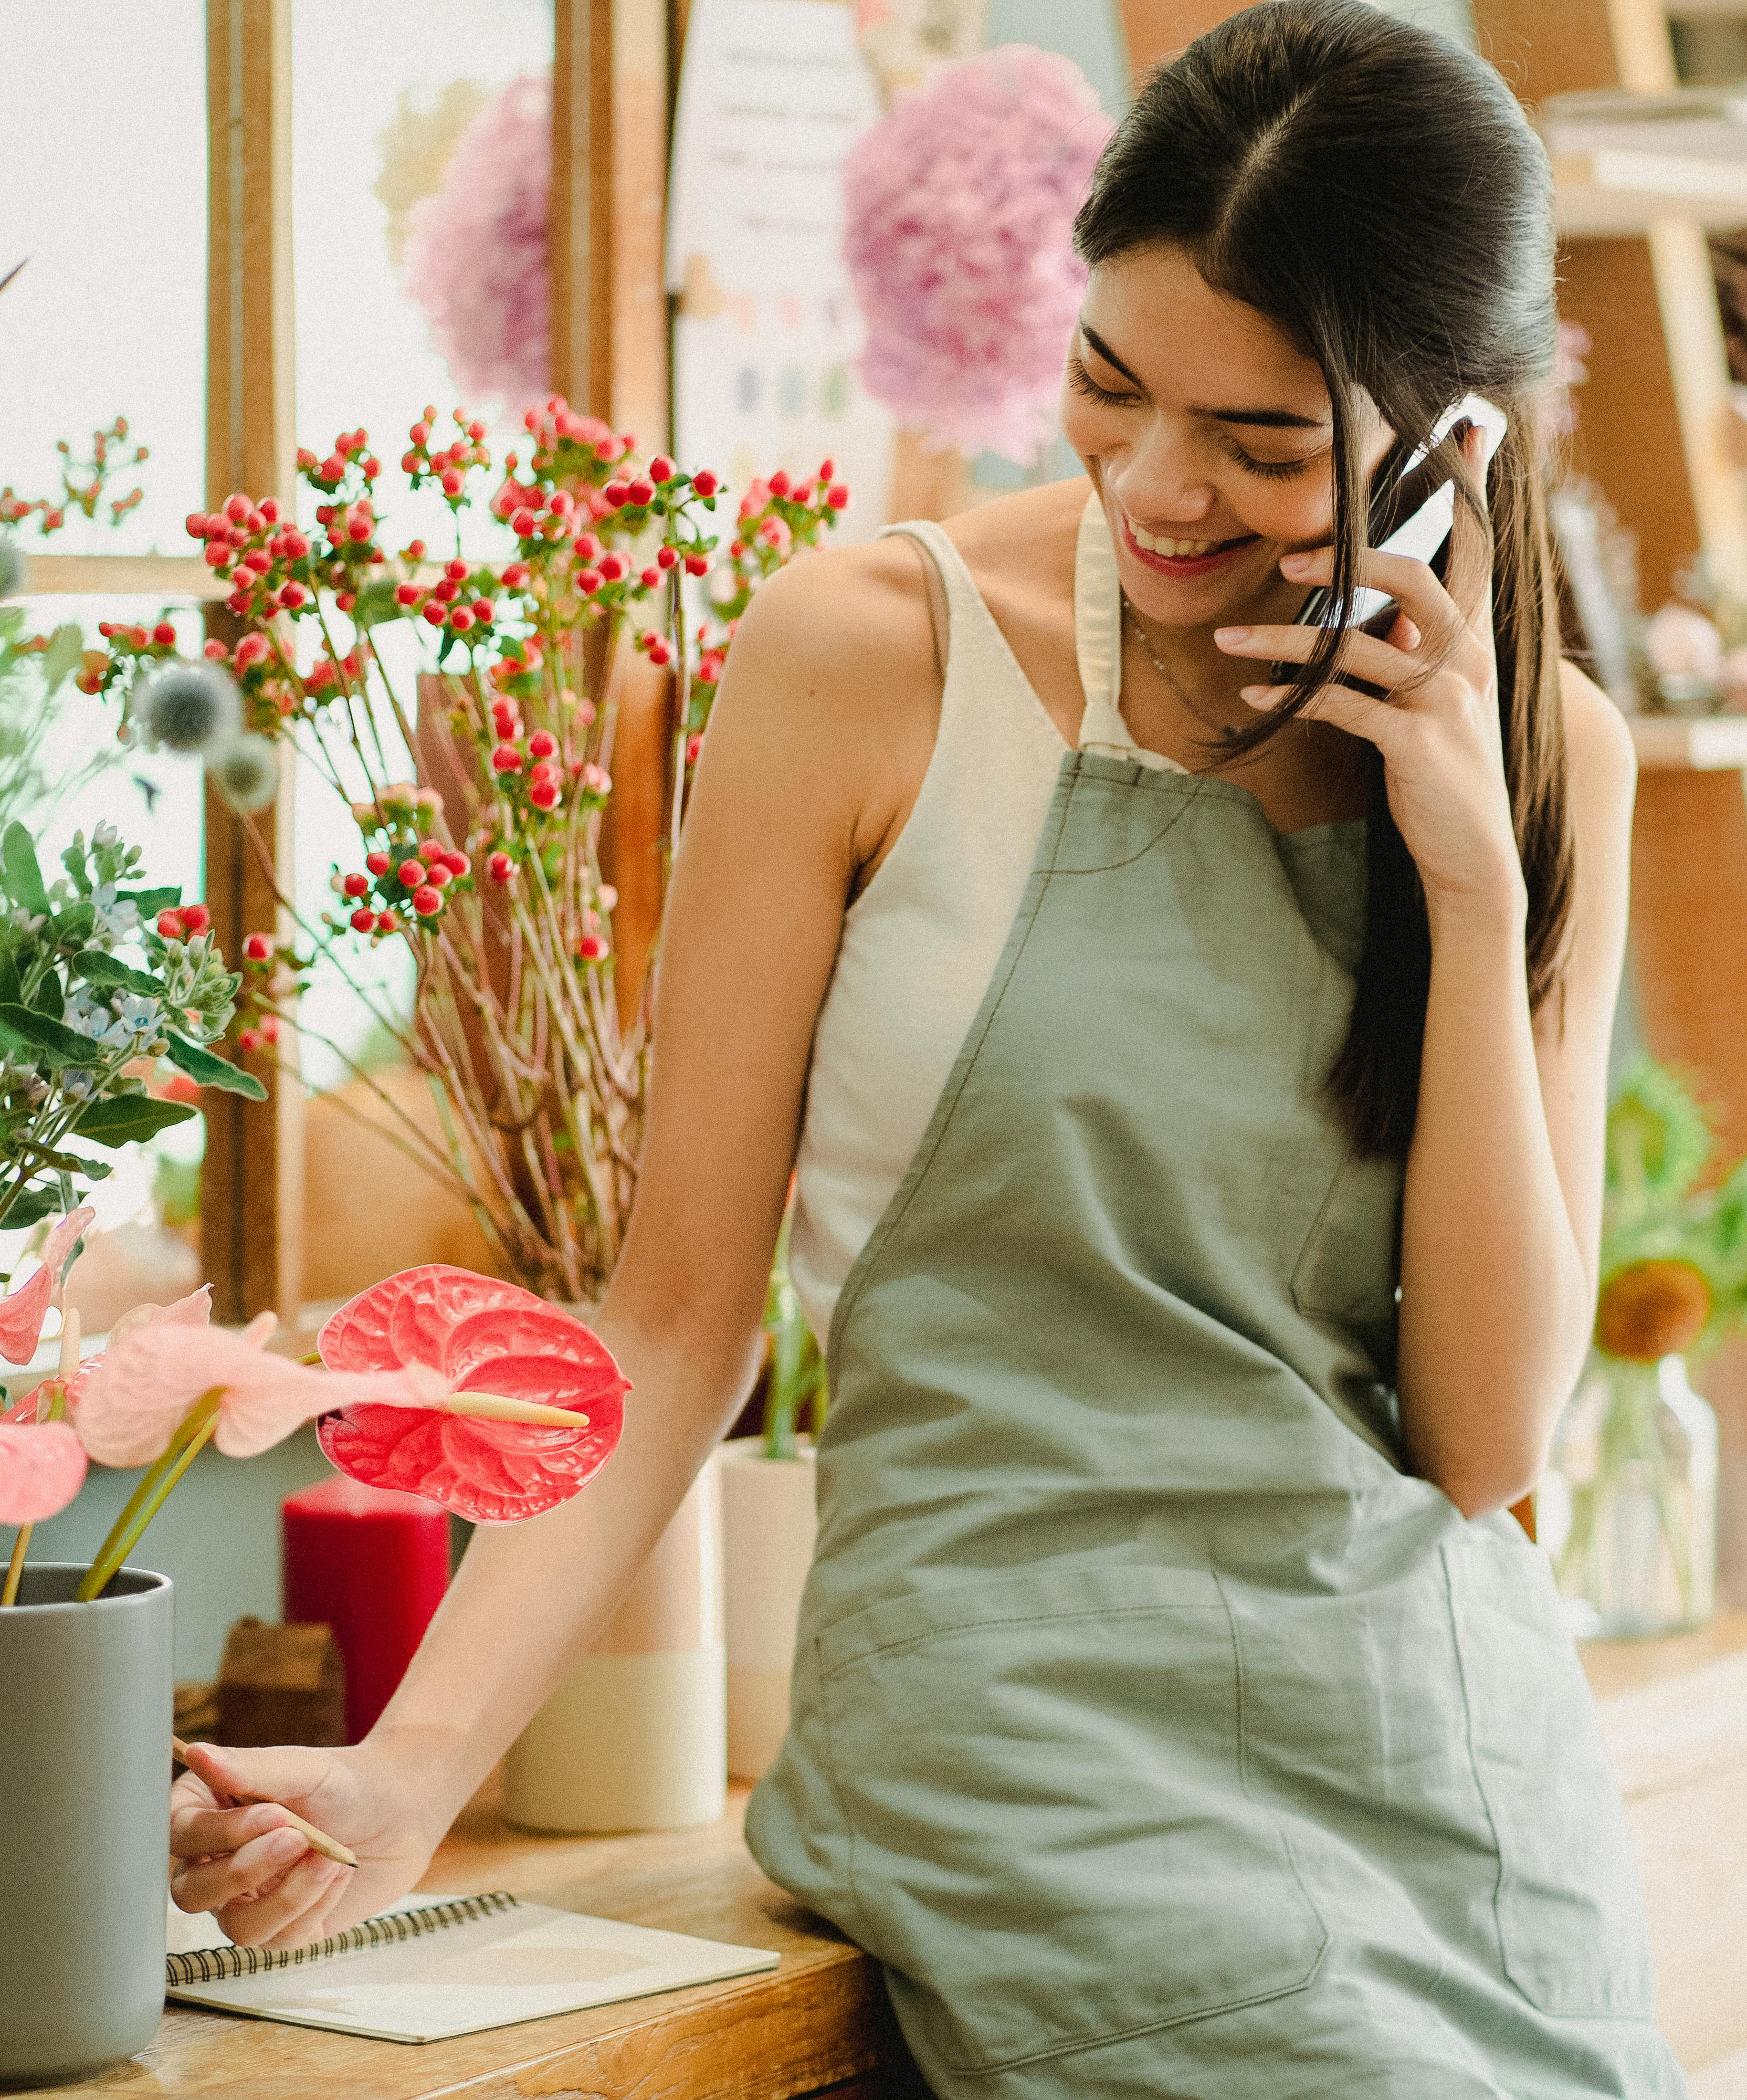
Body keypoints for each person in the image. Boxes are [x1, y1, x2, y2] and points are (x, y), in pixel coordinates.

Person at [167, 5, 1689, 2092]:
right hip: (1020, 1754)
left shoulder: (1544, 765)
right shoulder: (865, 657)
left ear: (1449, 446)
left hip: (1450, 1769)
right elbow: (673, 1321)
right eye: (1108, 380)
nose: (1156, 489)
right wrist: (411, 1770)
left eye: (1261, 446)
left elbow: (1490, 1445)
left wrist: (1466, 873)